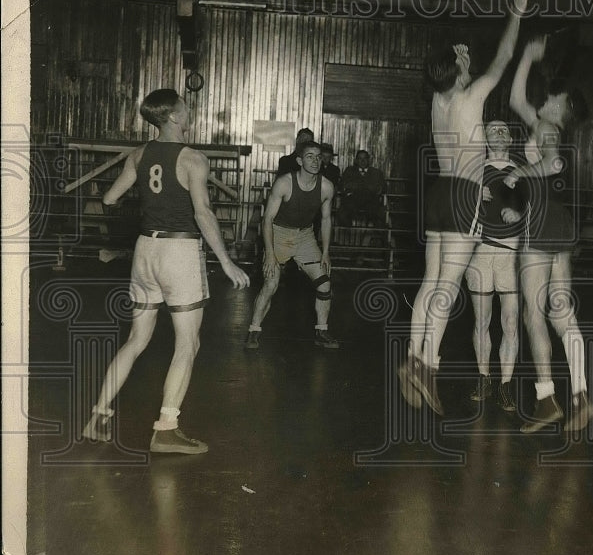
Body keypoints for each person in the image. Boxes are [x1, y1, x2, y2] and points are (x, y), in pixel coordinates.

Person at [82, 89, 250, 454]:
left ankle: (98, 416)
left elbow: (109, 198)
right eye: (185, 107)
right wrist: (226, 260)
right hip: (179, 251)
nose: (189, 112)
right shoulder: (193, 158)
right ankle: (167, 429)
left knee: (136, 339)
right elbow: (203, 213)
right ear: (173, 116)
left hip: (146, 250)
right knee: (188, 343)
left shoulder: (139, 154)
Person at [397, 0, 529, 415]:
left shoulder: (439, 100)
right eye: (461, 66)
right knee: (447, 288)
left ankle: (413, 355)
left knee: (429, 281)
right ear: (457, 73)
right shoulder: (472, 96)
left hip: (438, 192)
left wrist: (461, 64)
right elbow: (504, 58)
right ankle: (428, 368)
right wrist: (516, 15)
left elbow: (458, 83)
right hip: (464, 195)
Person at [504, 35, 593, 433]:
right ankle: (581, 395)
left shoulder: (545, 128)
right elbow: (515, 100)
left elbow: (554, 164)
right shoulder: (546, 124)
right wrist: (526, 57)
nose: (547, 96)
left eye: (554, 95)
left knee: (533, 314)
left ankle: (546, 400)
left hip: (540, 222)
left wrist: (520, 172)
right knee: (562, 311)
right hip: (560, 222)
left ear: (562, 106)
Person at [246, 141, 337, 350]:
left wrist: (325, 252)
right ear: (299, 160)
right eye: (309, 156)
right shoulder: (284, 183)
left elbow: (325, 220)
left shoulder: (326, 187)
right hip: (279, 234)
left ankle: (322, 331)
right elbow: (267, 220)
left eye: (318, 157)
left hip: (305, 236)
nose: (315, 161)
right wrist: (270, 254)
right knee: (271, 284)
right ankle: (253, 330)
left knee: (324, 284)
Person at [465, 120, 525, 412]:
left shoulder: (524, 171)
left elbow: (538, 209)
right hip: (480, 252)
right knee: (482, 320)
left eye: (504, 130)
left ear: (511, 139)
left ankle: (505, 384)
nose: (499, 133)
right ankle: (484, 377)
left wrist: (521, 215)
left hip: (511, 255)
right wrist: (471, 196)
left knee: (510, 322)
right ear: (485, 138)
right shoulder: (472, 170)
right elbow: (455, 210)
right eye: (493, 130)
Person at [337, 149, 387, 227]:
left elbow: (384, 187)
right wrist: (348, 189)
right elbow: (341, 185)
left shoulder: (376, 173)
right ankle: (347, 231)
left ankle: (379, 233)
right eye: (360, 158)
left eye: (365, 158)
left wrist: (378, 189)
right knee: (342, 213)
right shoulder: (349, 171)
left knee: (380, 214)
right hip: (352, 201)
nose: (362, 161)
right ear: (356, 160)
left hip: (371, 201)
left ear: (368, 160)